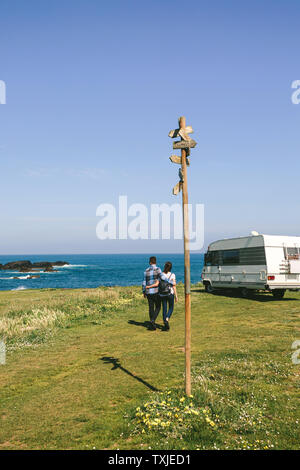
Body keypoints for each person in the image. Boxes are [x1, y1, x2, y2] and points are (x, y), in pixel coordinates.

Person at [142, 256, 175, 330]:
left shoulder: (146, 271)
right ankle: (153, 320)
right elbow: (163, 278)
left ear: (150, 262)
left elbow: (144, 282)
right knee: (158, 307)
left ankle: (152, 323)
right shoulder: (158, 269)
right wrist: (171, 282)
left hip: (148, 292)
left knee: (151, 307)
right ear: (155, 262)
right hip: (156, 291)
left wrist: (144, 291)